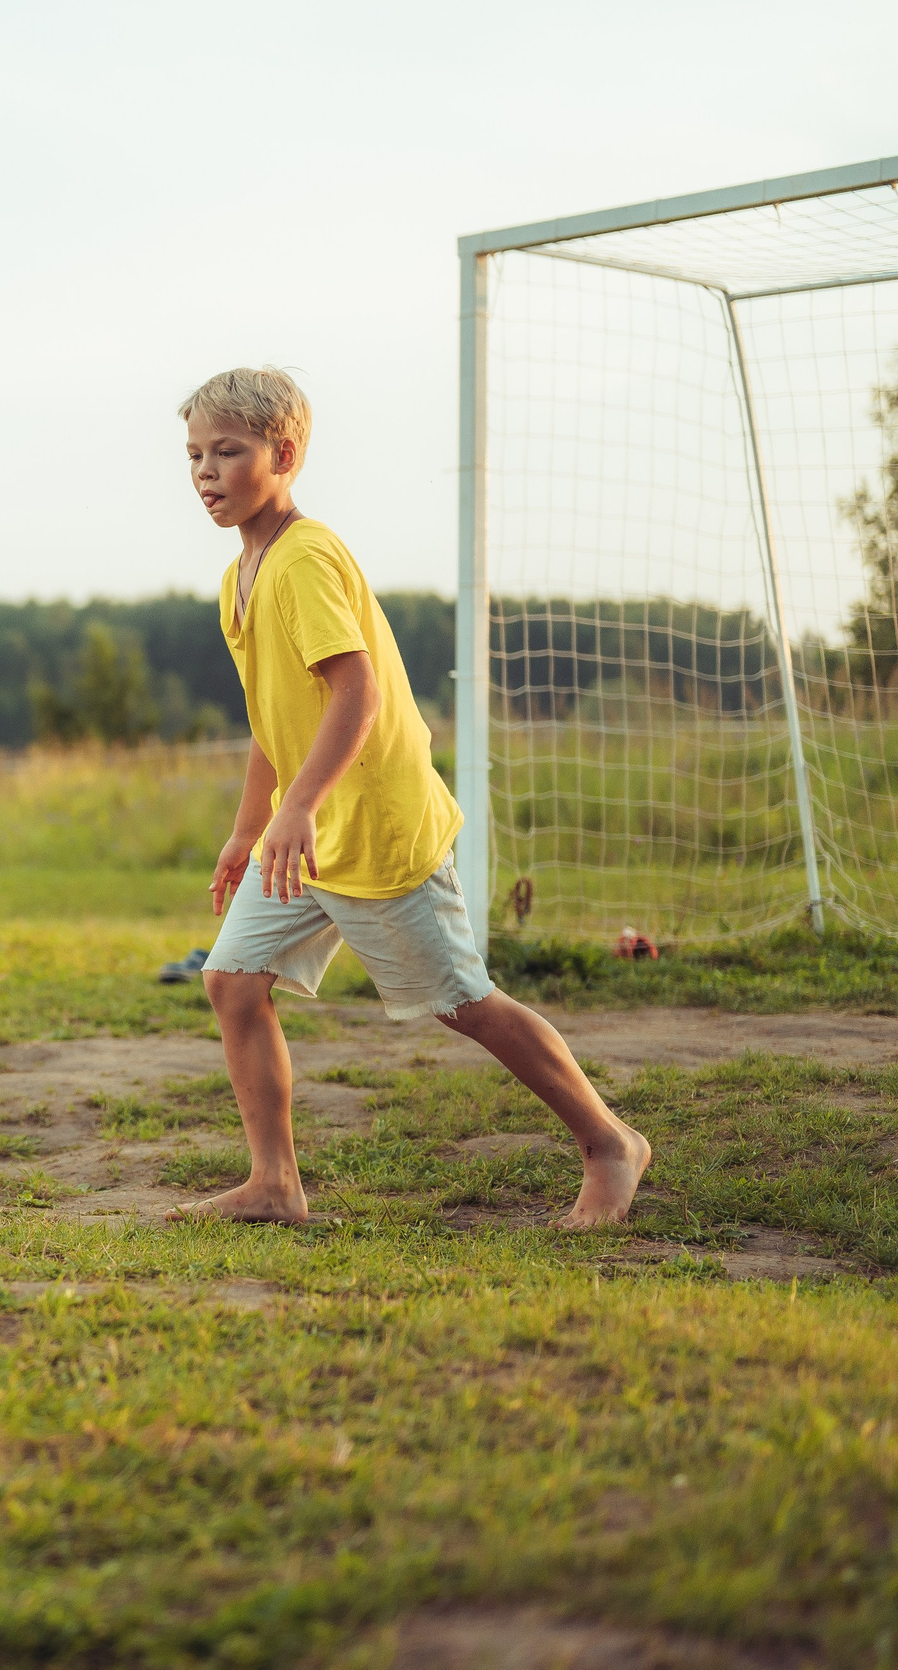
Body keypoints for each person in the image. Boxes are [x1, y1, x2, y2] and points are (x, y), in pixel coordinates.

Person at [176, 367, 649, 1231]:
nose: (206, 471)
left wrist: (298, 805)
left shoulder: (305, 557)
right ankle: (274, 1184)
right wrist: (253, 825)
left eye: (228, 452)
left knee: (466, 1003)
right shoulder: (238, 578)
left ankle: (610, 1142)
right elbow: (272, 719)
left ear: (283, 455)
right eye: (195, 454)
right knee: (233, 982)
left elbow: (359, 694)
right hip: (304, 837)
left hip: (378, 830)